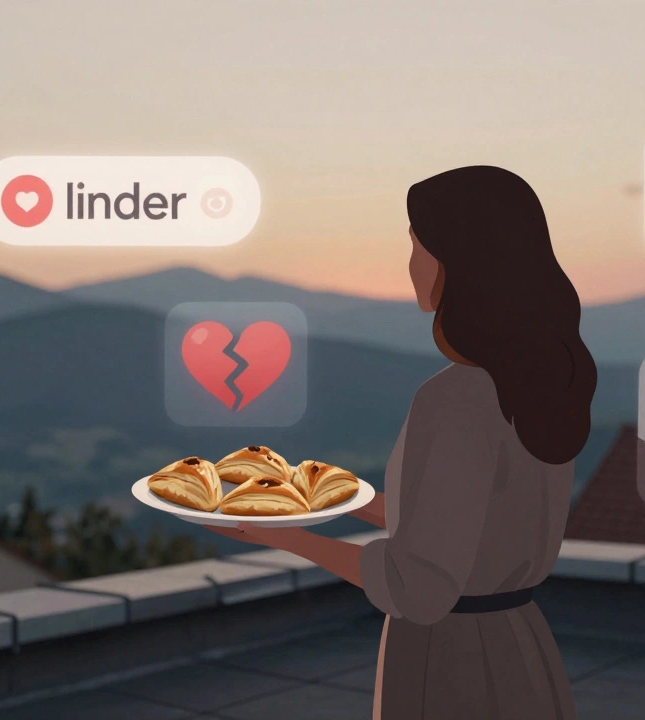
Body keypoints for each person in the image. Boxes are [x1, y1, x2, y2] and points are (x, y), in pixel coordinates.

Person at [209, 165, 597, 719]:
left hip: (451, 662)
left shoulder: (456, 397)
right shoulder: (543, 386)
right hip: (523, 647)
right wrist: (345, 500)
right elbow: (467, 529)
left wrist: (290, 538)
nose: (411, 264)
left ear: (459, 261)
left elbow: (419, 586)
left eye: (418, 246)